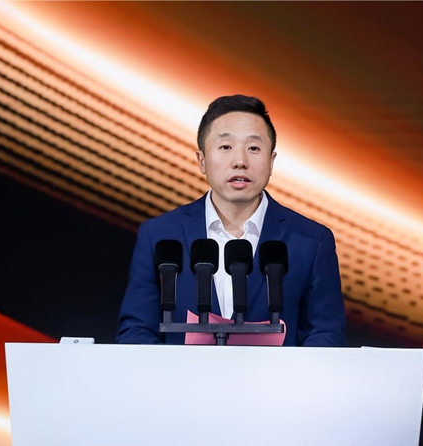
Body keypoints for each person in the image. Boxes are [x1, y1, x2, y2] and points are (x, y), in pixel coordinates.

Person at [116, 94, 347, 346]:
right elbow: (136, 331)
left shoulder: (311, 241)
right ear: (202, 161)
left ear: (271, 162)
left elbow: (326, 334)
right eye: (225, 147)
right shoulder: (159, 235)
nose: (240, 162)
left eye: (254, 148)